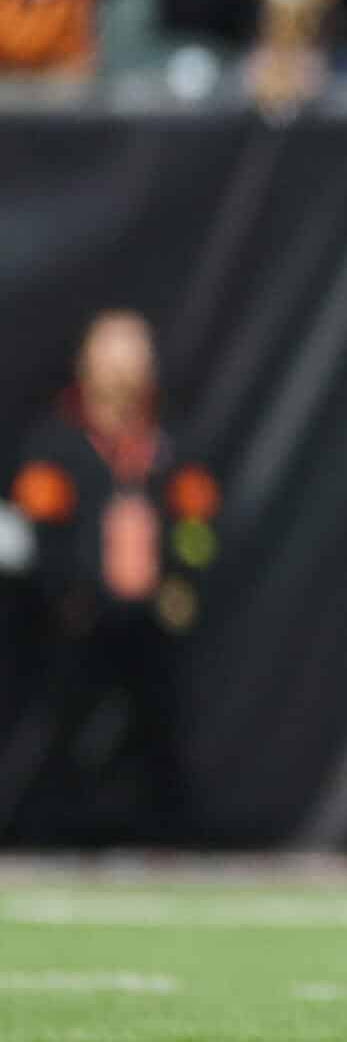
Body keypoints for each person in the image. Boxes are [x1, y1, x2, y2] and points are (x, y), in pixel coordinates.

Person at [0, 310, 218, 846]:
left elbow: (198, 524)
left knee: (162, 734)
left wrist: (183, 584)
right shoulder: (58, 443)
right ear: (87, 362)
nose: (124, 365)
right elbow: (39, 531)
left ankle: (170, 843)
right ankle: (48, 840)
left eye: (134, 351)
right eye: (112, 350)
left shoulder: (169, 444)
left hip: (151, 612)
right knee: (61, 729)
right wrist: (66, 594)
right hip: (79, 615)